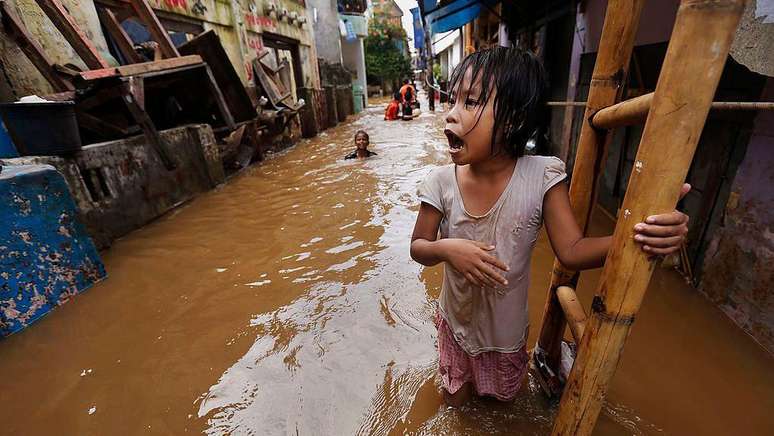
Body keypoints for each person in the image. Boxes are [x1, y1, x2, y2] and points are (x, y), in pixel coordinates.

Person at [410, 47, 690, 407]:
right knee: (454, 405)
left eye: (470, 102)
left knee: (500, 410)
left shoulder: (542, 175)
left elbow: (572, 251)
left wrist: (638, 232)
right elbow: (418, 246)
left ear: (512, 120)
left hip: (504, 337)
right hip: (455, 325)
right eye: (454, 100)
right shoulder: (440, 182)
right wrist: (448, 249)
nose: (450, 115)